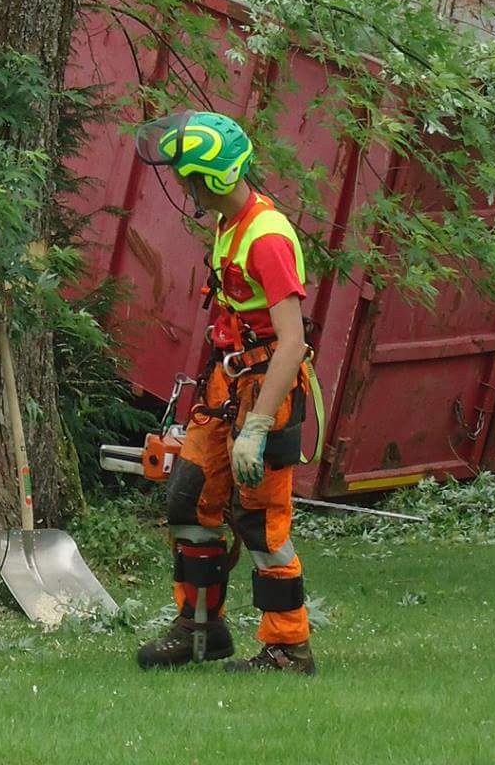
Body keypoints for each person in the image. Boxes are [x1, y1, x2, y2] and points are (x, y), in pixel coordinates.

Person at [132, 109, 319, 676]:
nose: (182, 186)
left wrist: (258, 427)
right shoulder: (227, 223)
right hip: (228, 383)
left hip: (267, 390)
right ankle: (201, 628)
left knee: (261, 522)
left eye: (188, 177)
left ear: (212, 178)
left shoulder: (267, 237)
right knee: (189, 498)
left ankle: (289, 648)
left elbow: (292, 342)